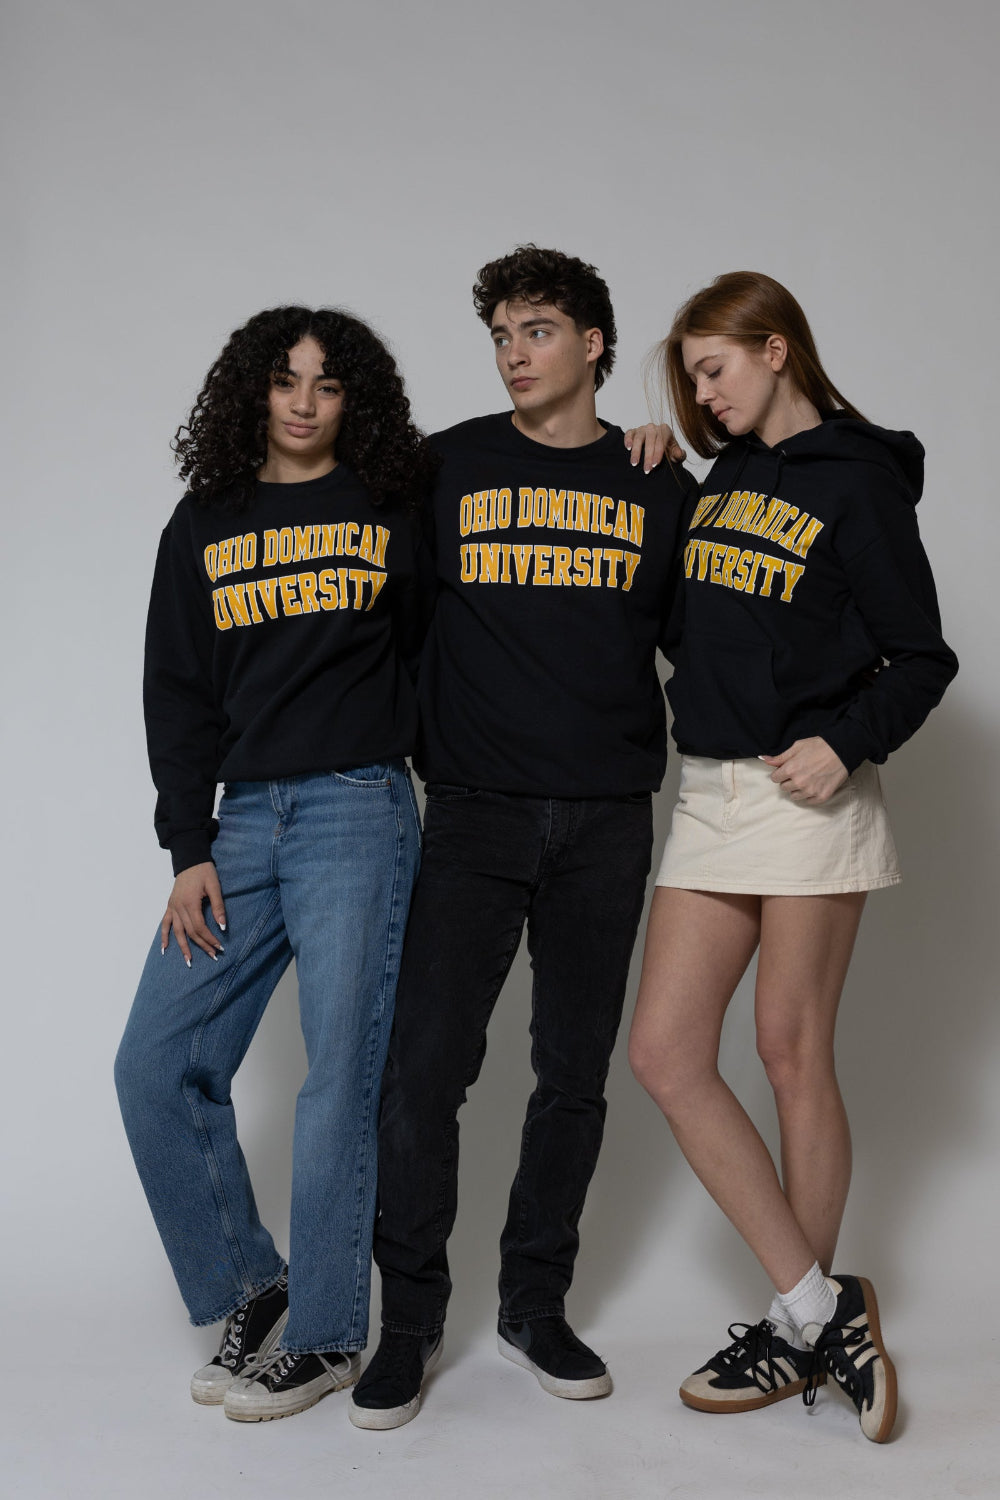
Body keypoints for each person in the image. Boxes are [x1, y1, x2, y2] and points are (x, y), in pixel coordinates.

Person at [349, 246, 693, 1431]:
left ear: (593, 344)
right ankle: (408, 1324)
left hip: (606, 820)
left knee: (573, 1079)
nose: (511, 352)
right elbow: (373, 609)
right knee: (423, 1077)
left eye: (536, 329)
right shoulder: (441, 465)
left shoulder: (660, 483)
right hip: (475, 814)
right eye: (500, 333)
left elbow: (707, 644)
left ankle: (534, 1304)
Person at [628, 271, 958, 1443]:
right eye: (691, 380)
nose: (703, 395)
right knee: (666, 1053)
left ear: (776, 349)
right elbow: (690, 624)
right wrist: (664, 480)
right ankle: (821, 1312)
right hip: (708, 795)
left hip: (804, 796)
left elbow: (922, 657)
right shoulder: (720, 484)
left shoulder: (859, 483)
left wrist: (845, 741)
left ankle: (797, 1323)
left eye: (713, 370)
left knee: (787, 1048)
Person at [114, 307, 434, 1422]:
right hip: (240, 825)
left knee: (336, 1080)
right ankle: (257, 1285)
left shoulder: (395, 506)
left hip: (358, 808)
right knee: (155, 1066)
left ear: (358, 403)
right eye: (286, 381)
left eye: (329, 385)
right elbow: (177, 693)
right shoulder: (205, 520)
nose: (303, 402)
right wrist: (188, 845)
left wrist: (630, 442)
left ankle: (335, 1335)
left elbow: (447, 638)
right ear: (252, 390)